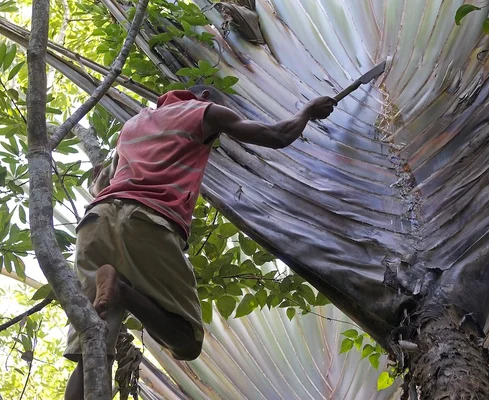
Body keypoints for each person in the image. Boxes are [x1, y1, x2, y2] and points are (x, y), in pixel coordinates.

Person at [63, 85, 337, 399]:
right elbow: (276, 135)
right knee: (186, 340)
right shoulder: (204, 111)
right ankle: (122, 290)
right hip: (148, 220)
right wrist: (308, 112)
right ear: (206, 97)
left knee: (92, 352)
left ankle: (113, 287)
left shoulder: (134, 124)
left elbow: (101, 184)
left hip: (96, 223)